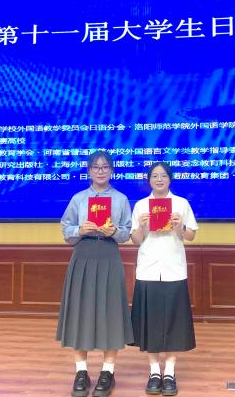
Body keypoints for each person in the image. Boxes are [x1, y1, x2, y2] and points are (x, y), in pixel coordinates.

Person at [56, 150, 133, 397]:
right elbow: (66, 229)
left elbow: (127, 231)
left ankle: (108, 371)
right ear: (89, 171)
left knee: (111, 312)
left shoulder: (121, 199)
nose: (101, 171)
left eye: (105, 167)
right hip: (83, 254)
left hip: (109, 254)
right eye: (96, 167)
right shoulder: (78, 199)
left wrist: (114, 232)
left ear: (111, 170)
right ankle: (81, 371)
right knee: (81, 311)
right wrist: (80, 229)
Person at [130, 161, 198, 396]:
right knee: (151, 322)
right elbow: (136, 240)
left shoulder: (181, 204)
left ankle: (169, 371)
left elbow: (191, 236)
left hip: (173, 270)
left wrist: (179, 227)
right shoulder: (141, 205)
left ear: (170, 179)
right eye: (154, 176)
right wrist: (142, 226)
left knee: (173, 322)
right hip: (148, 269)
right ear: (149, 180)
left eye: (163, 175)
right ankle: (154, 372)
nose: (159, 179)